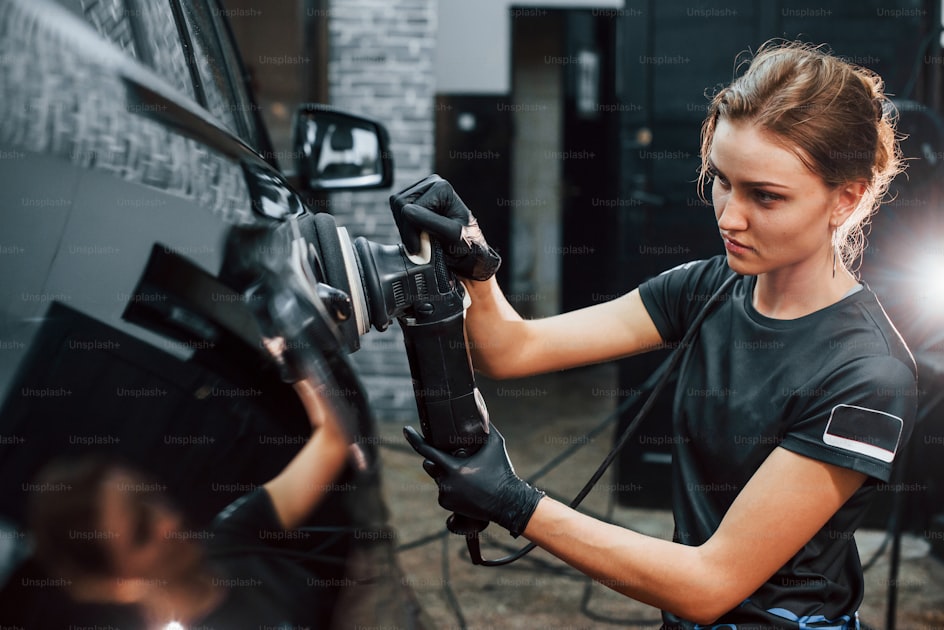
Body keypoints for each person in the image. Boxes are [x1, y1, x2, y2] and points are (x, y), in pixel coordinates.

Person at [392, 40, 918, 628]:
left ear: (844, 199)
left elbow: (707, 585)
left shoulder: (866, 376)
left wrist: (516, 503)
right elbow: (512, 350)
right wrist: (472, 259)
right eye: (722, 180)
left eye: (765, 196)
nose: (728, 216)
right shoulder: (705, 287)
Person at [25, 245, 428, 630]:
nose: (168, 519)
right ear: (113, 584)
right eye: (142, 530)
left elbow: (332, 441)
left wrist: (291, 348)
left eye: (149, 497)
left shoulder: (230, 538)